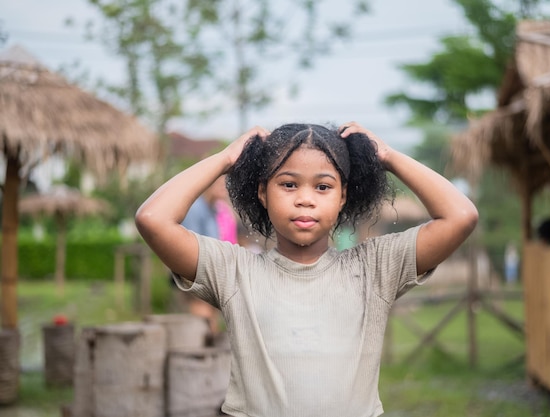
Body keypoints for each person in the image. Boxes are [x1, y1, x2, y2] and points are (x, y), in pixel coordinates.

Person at [135, 122, 478, 417]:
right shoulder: (233, 271)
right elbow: (153, 219)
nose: (305, 199)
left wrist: (386, 156)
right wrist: (226, 160)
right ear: (262, 193)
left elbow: (460, 216)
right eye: (288, 184)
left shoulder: (375, 269)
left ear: (343, 196)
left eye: (323, 186)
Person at [179, 175, 237, 337]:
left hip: (213, 272)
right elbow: (188, 245)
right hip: (198, 274)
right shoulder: (196, 208)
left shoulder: (215, 209)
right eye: (219, 184)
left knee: (212, 318)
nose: (224, 188)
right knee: (202, 318)